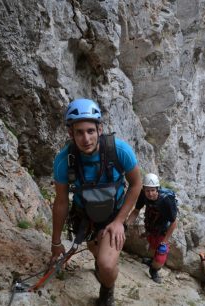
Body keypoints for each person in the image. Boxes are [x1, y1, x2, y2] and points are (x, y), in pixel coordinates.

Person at [50, 98, 142, 306]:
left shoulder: (119, 151)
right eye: (79, 132)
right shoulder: (64, 161)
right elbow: (61, 202)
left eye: (90, 131)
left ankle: (107, 291)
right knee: (98, 256)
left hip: (113, 216)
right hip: (86, 218)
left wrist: (119, 221)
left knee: (107, 265)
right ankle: (101, 267)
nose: (86, 138)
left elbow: (136, 184)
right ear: (70, 134)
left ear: (100, 130)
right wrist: (56, 243)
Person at [126, 173, 177, 283]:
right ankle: (151, 261)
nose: (150, 194)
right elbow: (136, 211)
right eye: (147, 190)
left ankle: (154, 270)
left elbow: (174, 222)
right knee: (153, 246)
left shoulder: (166, 200)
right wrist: (127, 224)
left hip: (163, 230)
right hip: (151, 226)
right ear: (144, 189)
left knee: (160, 258)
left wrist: (164, 242)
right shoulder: (143, 194)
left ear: (157, 189)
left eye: (153, 190)